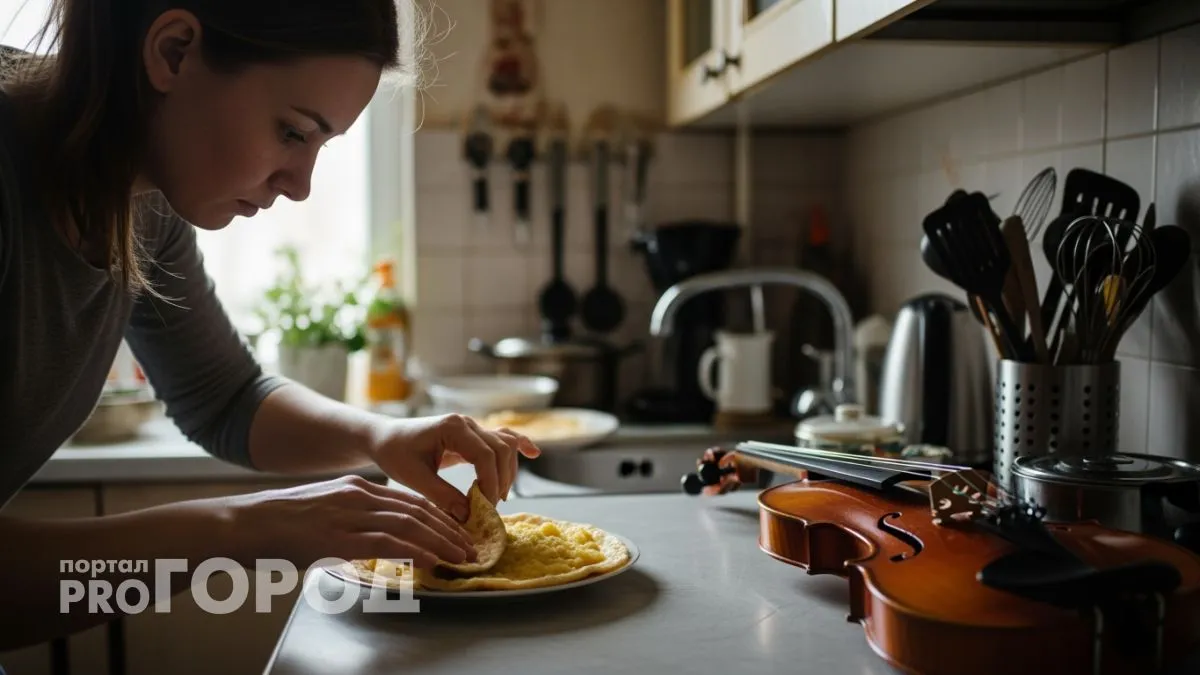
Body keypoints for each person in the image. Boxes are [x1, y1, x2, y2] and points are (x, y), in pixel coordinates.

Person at [0, 0, 540, 651]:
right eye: (292, 132)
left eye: (322, 145)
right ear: (173, 51)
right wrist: (247, 527)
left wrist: (383, 437)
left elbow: (225, 397)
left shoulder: (144, 194)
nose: (302, 184)